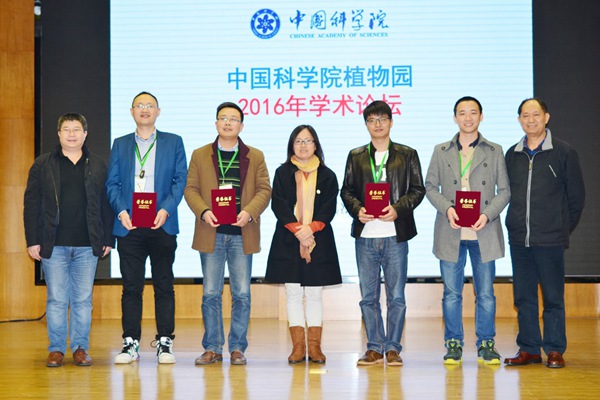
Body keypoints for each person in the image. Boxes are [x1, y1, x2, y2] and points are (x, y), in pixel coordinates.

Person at [184, 101, 271, 366]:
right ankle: (212, 347)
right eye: (223, 118)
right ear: (216, 124)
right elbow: (190, 189)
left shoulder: (255, 156)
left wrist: (249, 211)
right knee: (211, 293)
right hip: (211, 231)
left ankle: (237, 348)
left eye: (234, 119)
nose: (228, 123)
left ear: (241, 126)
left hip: (242, 233)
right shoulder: (200, 154)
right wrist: (203, 211)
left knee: (241, 294)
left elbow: (264, 190)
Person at [24, 113, 114, 367]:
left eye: (76, 129)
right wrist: (32, 240)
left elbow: (106, 204)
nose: (72, 134)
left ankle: (80, 348)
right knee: (56, 299)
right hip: (53, 244)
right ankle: (56, 349)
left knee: (83, 300)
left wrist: (108, 238)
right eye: (66, 129)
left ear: (85, 134)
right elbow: (31, 204)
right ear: (59, 134)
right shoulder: (43, 164)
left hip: (88, 244)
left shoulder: (98, 164)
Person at [425, 96, 510, 365]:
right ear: (455, 118)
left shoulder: (494, 150)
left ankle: (486, 343)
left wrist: (487, 214)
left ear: (481, 116)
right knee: (452, 294)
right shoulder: (441, 150)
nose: (468, 118)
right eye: (462, 113)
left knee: (485, 294)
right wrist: (448, 209)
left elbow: (505, 191)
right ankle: (453, 343)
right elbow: (430, 187)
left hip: (484, 231)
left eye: (473, 112)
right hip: (451, 231)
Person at [341, 100, 425, 366]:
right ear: (366, 124)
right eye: (372, 120)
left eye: (382, 119)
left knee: (396, 296)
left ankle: (393, 348)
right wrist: (358, 209)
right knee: (368, 298)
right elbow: (346, 191)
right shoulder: (356, 155)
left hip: (395, 236)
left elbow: (418, 189)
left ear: (391, 122)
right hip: (366, 236)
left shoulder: (407, 154)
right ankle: (374, 347)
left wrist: (398, 209)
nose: (377, 124)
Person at [106, 92, 188, 364]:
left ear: (158, 111)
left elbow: (180, 180)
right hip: (129, 225)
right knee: (131, 287)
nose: (144, 109)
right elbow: (112, 183)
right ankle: (130, 343)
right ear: (131, 111)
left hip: (162, 223)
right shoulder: (120, 144)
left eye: (149, 105)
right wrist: (121, 211)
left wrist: (166, 209)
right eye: (139, 105)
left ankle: (165, 342)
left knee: (164, 284)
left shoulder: (173, 142)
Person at [504, 97, 585, 369]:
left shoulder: (563, 152)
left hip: (550, 239)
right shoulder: (512, 154)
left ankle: (554, 349)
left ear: (546, 117)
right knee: (523, 298)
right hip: (519, 239)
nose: (531, 120)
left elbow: (576, 198)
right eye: (525, 116)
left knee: (552, 298)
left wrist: (560, 228)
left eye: (536, 115)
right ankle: (529, 349)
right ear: (519, 120)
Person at [265, 125, 342, 364]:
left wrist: (311, 229)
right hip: (289, 239)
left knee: (315, 293)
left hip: (319, 239)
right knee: (293, 293)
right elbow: (278, 204)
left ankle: (315, 348)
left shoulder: (328, 175)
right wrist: (299, 230)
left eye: (308, 141)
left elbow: (329, 207)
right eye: (298, 141)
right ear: (292, 145)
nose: (303, 145)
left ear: (315, 145)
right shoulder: (282, 173)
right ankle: (298, 348)